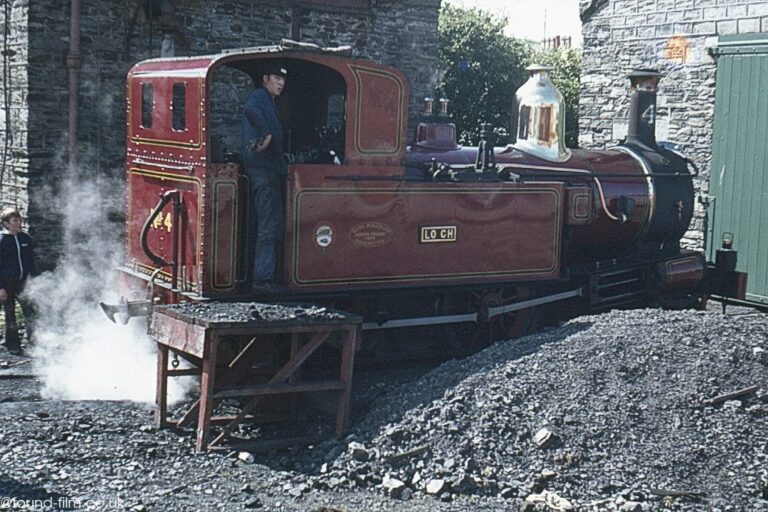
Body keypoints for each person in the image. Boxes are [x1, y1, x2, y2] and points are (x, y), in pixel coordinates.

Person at [241, 62, 288, 292]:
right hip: (263, 169)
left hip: (268, 168)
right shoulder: (259, 97)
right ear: (265, 78)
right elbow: (250, 110)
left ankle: (265, 275)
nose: (281, 83)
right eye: (277, 78)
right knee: (269, 224)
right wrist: (266, 133)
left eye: (283, 79)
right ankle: (263, 279)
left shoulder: (268, 100)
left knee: (270, 223)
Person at [0, 208, 36, 355]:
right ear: (6, 224)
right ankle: (13, 344)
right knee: (10, 314)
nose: (19, 223)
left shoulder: (25, 238)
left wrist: (33, 280)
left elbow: (30, 262)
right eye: (15, 220)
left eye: (19, 220)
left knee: (30, 311)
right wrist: (1, 287)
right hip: (7, 282)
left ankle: (34, 343)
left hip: (24, 281)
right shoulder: (2, 241)